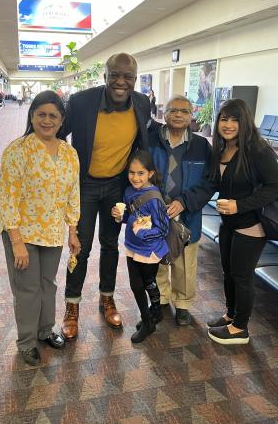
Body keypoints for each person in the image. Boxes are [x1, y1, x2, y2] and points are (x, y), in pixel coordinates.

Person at [60, 52, 151, 340]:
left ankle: (107, 298)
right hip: (85, 185)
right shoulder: (82, 102)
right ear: (105, 76)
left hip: (115, 187)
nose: (121, 82)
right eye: (115, 75)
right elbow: (58, 135)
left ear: (135, 80)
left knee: (111, 244)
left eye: (128, 77)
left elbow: (142, 141)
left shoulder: (142, 103)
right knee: (81, 248)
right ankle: (72, 306)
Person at [0, 90, 81, 366]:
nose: (47, 120)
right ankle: (26, 341)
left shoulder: (70, 154)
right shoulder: (17, 151)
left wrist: (72, 230)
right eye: (41, 114)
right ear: (32, 115)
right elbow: (7, 198)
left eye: (53, 116)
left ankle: (45, 331)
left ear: (62, 120)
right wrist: (16, 242)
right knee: (28, 289)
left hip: (53, 232)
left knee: (48, 285)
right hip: (22, 233)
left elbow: (73, 194)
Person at [207, 99, 278, 345]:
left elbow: (276, 186)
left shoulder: (256, 149)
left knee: (242, 276)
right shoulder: (220, 149)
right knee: (228, 273)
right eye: (224, 119)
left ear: (244, 122)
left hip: (251, 225)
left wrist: (239, 205)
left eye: (235, 119)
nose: (228, 125)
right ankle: (231, 314)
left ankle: (240, 328)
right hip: (228, 223)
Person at [149, 94, 214, 326]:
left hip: (188, 214)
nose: (178, 114)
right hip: (156, 213)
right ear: (163, 114)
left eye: (184, 111)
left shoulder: (201, 146)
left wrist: (185, 201)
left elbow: (209, 183)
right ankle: (162, 298)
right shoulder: (151, 141)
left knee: (185, 262)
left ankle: (183, 303)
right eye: (173, 110)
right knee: (157, 259)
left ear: (191, 116)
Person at [112, 150, 169, 343]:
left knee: (148, 282)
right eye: (131, 172)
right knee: (136, 285)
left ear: (150, 173)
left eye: (141, 173)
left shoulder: (154, 197)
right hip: (132, 246)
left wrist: (142, 233)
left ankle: (151, 317)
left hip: (149, 250)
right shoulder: (128, 192)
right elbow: (130, 218)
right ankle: (150, 317)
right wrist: (120, 217)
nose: (135, 177)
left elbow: (163, 227)